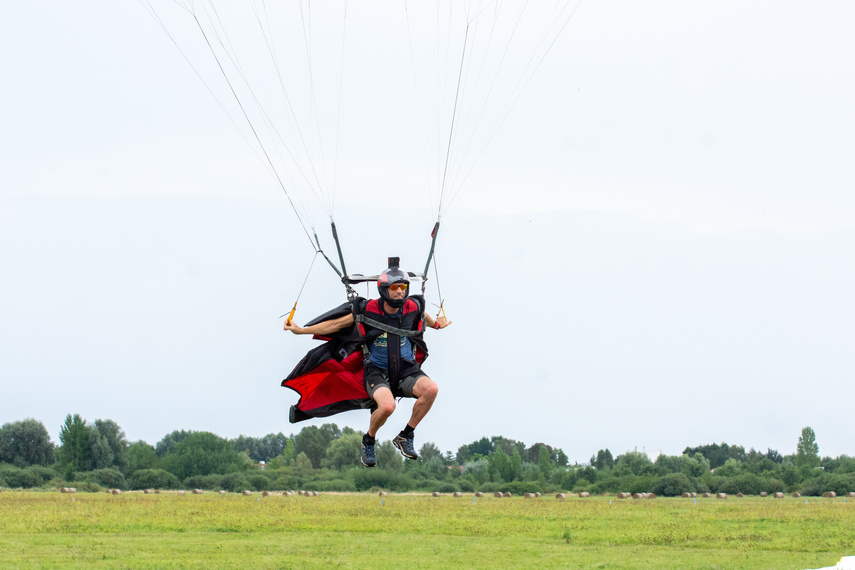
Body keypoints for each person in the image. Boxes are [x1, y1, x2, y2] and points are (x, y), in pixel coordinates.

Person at [283, 258, 451, 467]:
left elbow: (423, 316)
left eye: (403, 287)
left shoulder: (412, 306)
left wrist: (437, 324)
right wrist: (301, 330)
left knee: (431, 389)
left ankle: (405, 436)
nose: (400, 291)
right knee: (388, 407)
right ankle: (369, 440)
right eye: (395, 287)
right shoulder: (367, 310)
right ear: (384, 290)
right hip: (377, 372)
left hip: (407, 370)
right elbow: (335, 324)